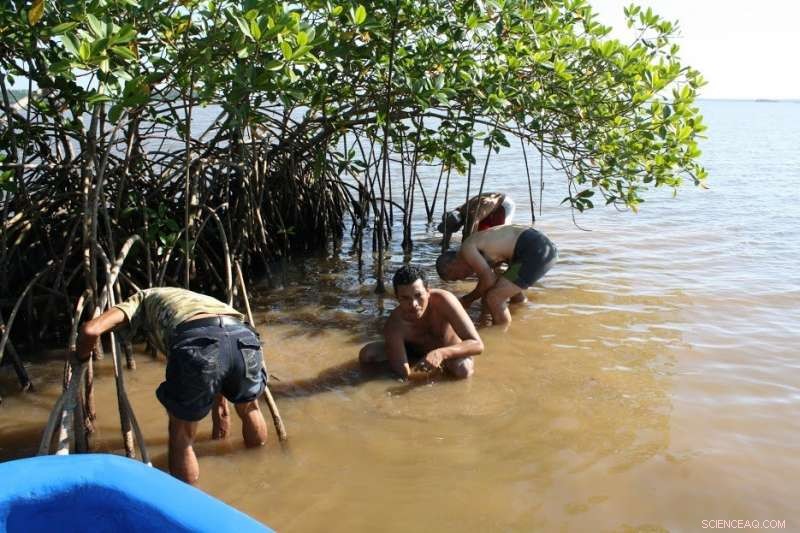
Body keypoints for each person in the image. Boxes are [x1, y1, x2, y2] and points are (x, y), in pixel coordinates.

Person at [75, 287, 268, 485]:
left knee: (181, 435)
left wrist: (80, 358)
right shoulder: (195, 298)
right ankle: (260, 470)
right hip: (243, 336)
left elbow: (91, 330)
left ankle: (187, 502)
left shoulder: (141, 298)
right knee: (249, 408)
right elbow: (218, 359)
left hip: (197, 340)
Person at [359, 265, 483, 379]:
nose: (413, 304)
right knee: (368, 354)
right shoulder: (395, 325)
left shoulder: (445, 301)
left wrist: (441, 354)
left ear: (428, 291)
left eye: (418, 295)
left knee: (463, 369)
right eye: (405, 298)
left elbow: (477, 345)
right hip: (415, 355)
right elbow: (403, 374)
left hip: (449, 353)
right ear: (397, 298)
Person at [436, 225, 557, 326]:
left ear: (452, 265)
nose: (462, 278)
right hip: (537, 246)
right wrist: (483, 314)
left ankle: (500, 335)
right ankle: (522, 315)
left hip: (535, 249)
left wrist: (466, 300)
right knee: (507, 289)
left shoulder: (467, 249)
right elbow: (492, 280)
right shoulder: (479, 247)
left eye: (456, 277)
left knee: (494, 297)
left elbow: (488, 280)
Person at [437, 192, 516, 246]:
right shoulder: (455, 213)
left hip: (502, 203)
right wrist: (445, 243)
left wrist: (464, 249)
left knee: (501, 234)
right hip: (484, 207)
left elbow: (469, 238)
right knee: (482, 235)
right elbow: (448, 230)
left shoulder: (472, 216)